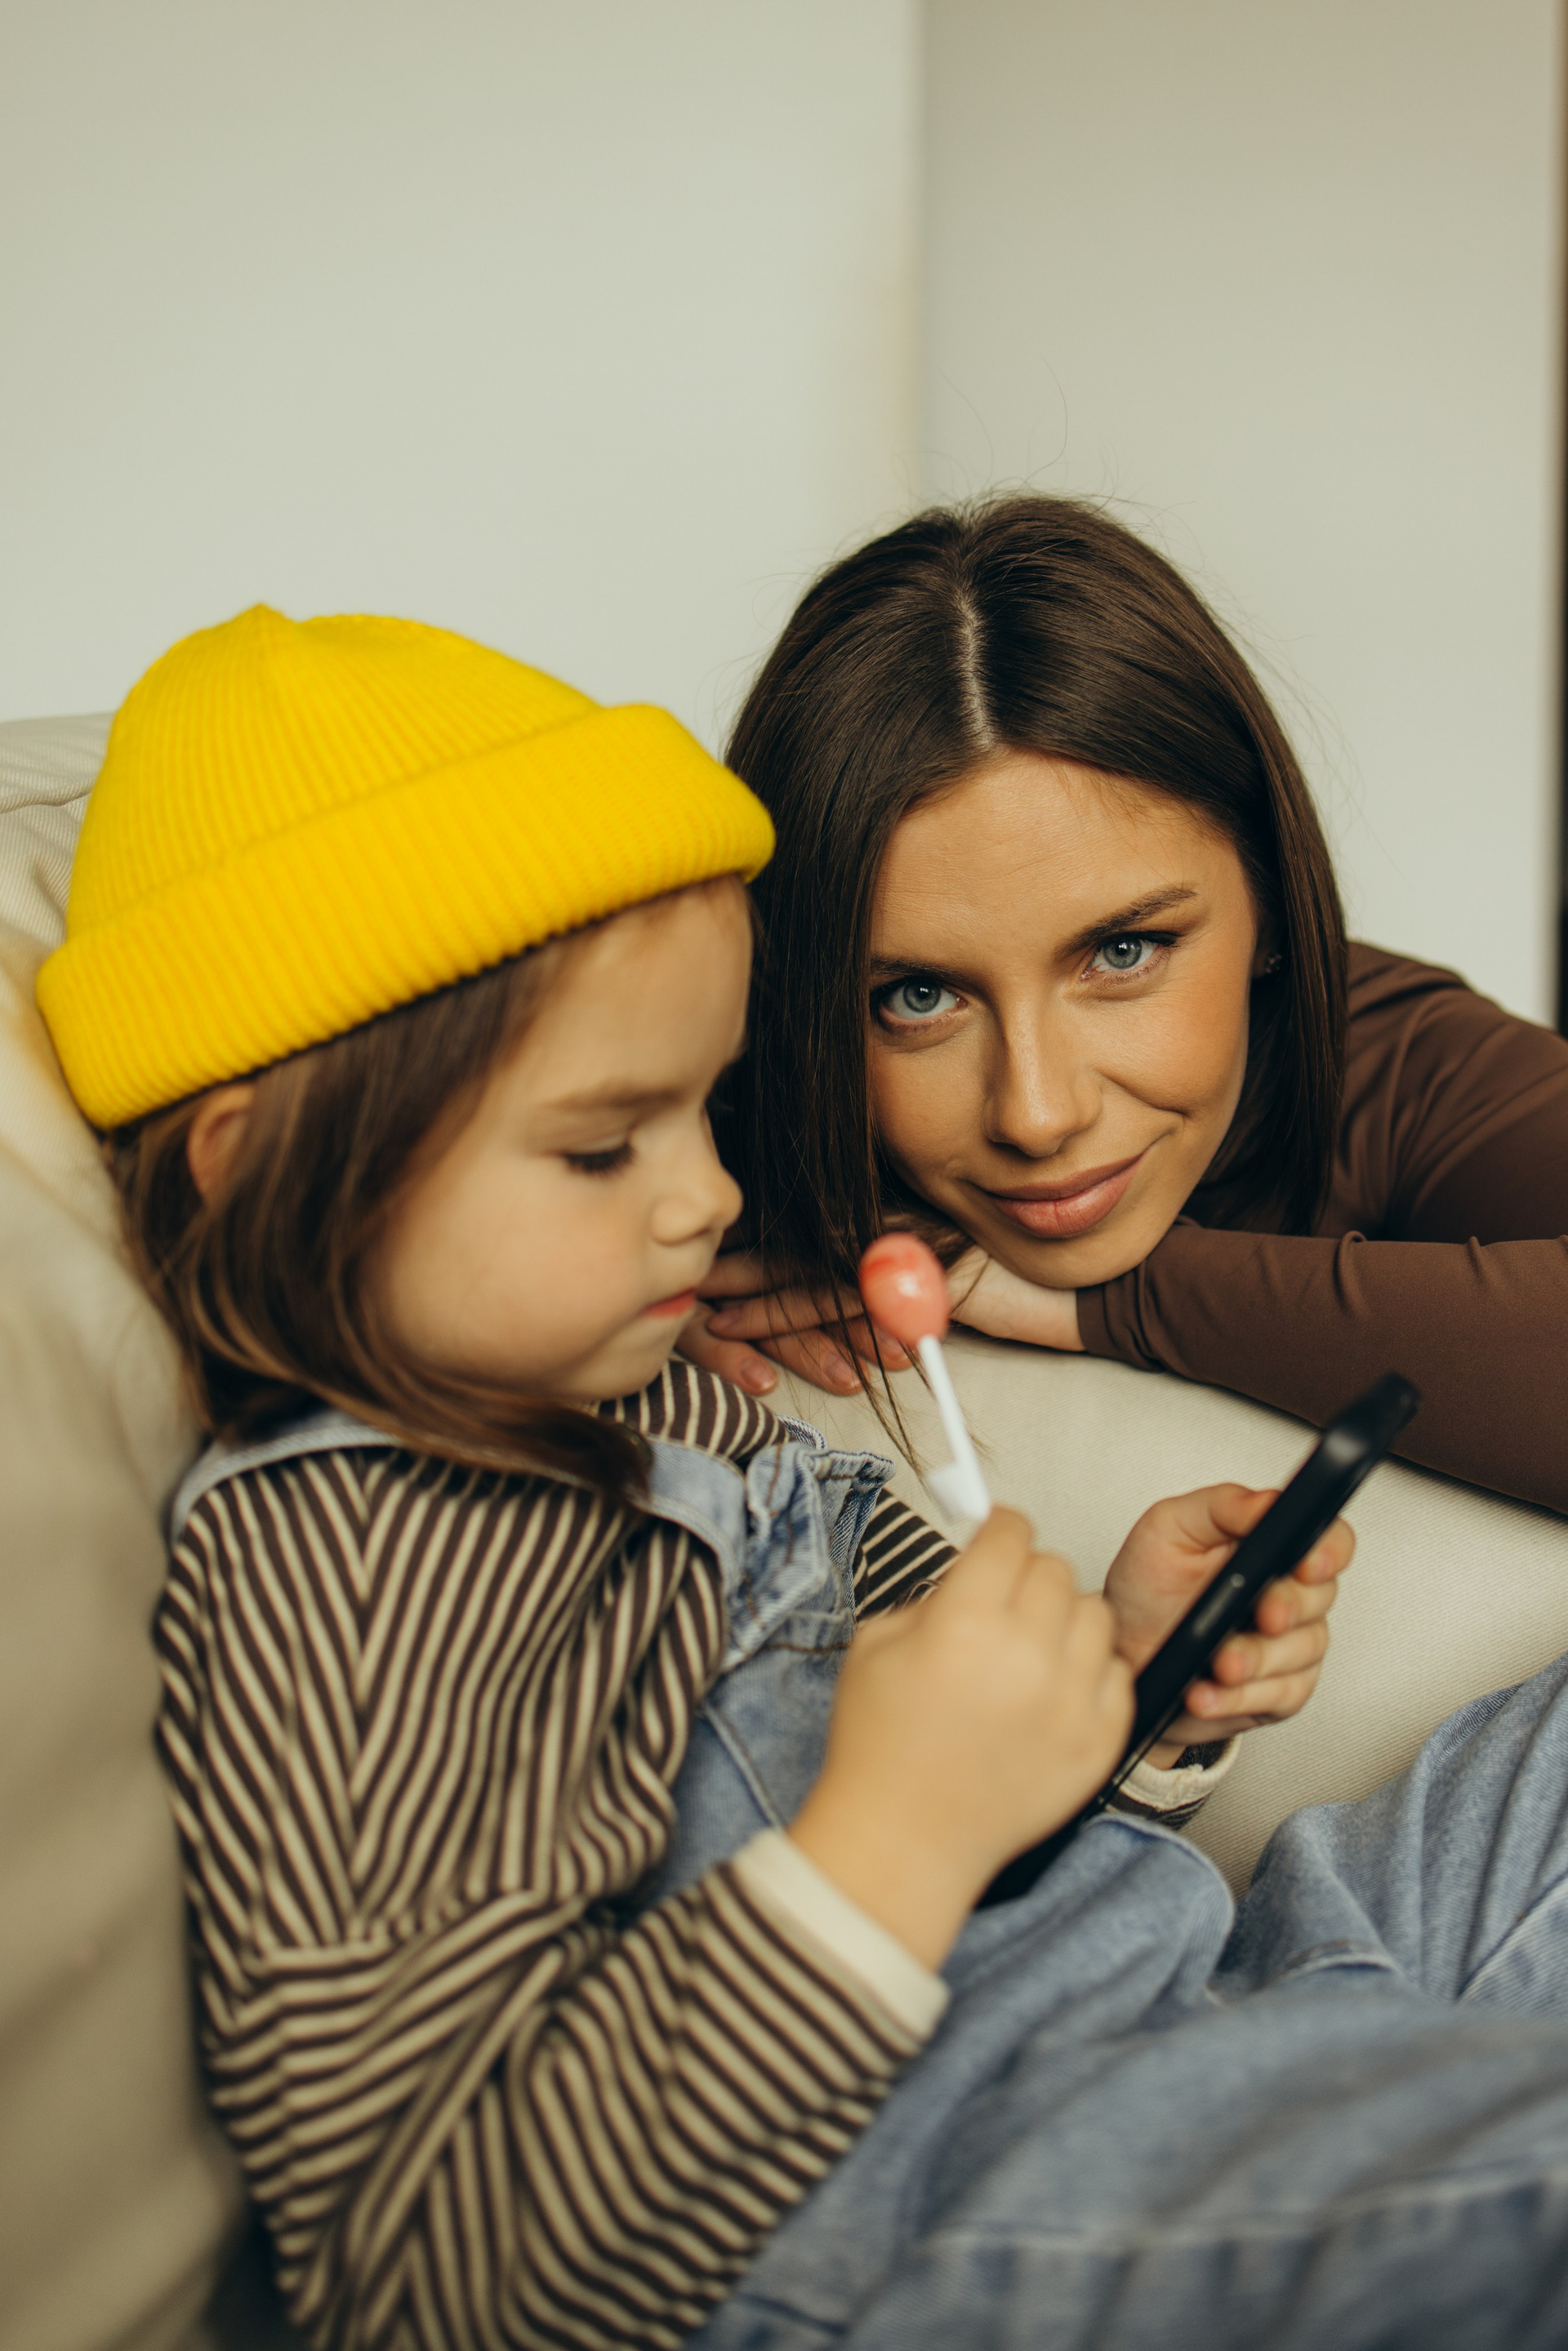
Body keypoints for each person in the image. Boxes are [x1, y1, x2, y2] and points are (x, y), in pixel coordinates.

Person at [42, 606, 1350, 2348]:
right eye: (605, 1144)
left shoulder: (665, 1405)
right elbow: (427, 2277)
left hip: (1201, 2001)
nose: (711, 1198)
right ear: (267, 1163)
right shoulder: (352, 1557)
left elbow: (1015, 1825)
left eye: (704, 1110)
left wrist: (1126, 1678)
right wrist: (893, 1834)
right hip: (990, 2190)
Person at [684, 496, 1568, 1516]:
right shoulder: (684, 1147)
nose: (1036, 1115)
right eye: (916, 997)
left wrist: (1110, 1301)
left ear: (1271, 904)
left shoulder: (1396, 1060)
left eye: (1122, 951)